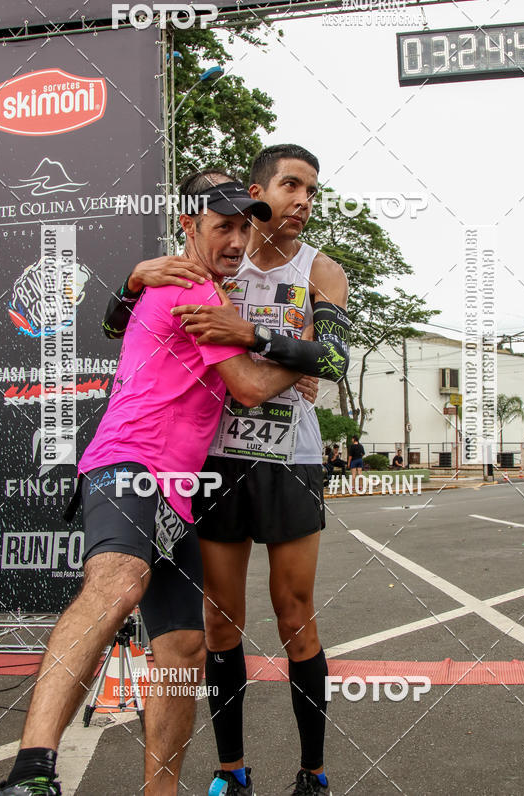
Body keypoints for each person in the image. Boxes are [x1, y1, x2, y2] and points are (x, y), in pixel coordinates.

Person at [0, 181, 305, 796]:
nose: (237, 241)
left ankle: (160, 792)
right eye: (224, 226)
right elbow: (246, 385)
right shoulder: (186, 286)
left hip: (178, 492)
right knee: (118, 583)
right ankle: (31, 771)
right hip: (130, 464)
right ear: (189, 226)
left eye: (246, 229)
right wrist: (305, 361)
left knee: (186, 648)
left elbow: (118, 322)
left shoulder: (207, 295)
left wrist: (130, 285)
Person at [106, 145, 350, 796]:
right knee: (220, 623)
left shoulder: (321, 269)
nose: (302, 202)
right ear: (257, 192)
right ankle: (231, 771)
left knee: (296, 615)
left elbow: (337, 357)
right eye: (290, 187)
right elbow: (118, 321)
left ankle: (314, 773)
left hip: (291, 460)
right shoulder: (210, 264)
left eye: (311, 192)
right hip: (217, 459)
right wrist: (130, 281)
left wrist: (256, 339)